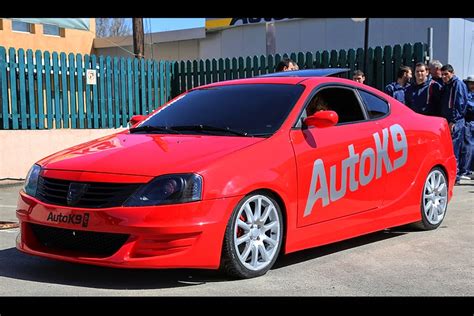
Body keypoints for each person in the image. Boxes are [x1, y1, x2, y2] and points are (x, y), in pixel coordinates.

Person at [439, 64, 469, 183]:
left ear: (452, 73)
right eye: (443, 75)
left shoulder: (457, 84)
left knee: (454, 149)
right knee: (449, 149)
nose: (444, 77)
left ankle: (454, 176)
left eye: (446, 74)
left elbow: (460, 104)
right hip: (448, 121)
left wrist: (454, 121)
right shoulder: (447, 85)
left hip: (455, 122)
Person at [463, 75, 474, 179]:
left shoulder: (469, 95)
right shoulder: (467, 93)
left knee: (469, 146)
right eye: (470, 83)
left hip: (470, 122)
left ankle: (468, 169)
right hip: (469, 122)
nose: (472, 85)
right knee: (469, 146)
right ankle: (467, 169)